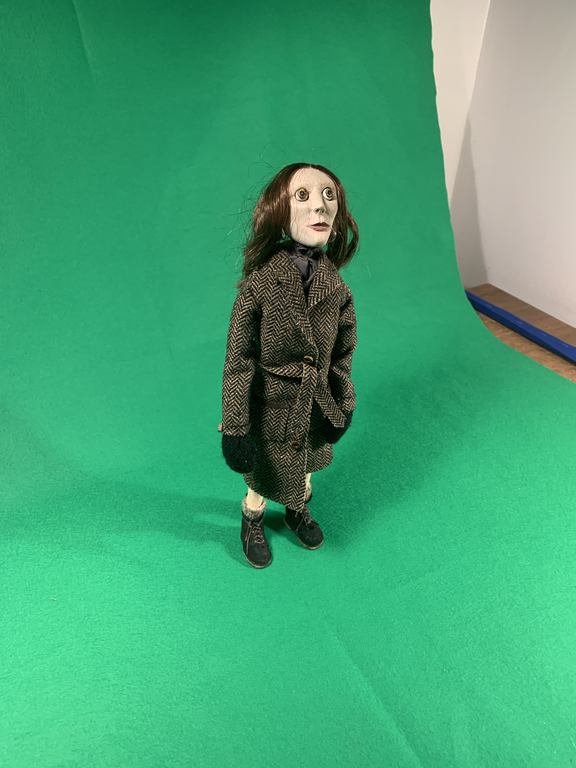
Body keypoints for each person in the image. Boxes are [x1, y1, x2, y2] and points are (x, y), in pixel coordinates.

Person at [220, 162, 359, 568]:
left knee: (307, 465)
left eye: (329, 195)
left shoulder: (337, 288)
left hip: (315, 405)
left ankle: (298, 509)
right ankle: (252, 518)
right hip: (272, 406)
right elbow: (238, 359)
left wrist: (343, 404)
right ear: (278, 210)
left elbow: (343, 355)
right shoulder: (261, 283)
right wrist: (235, 427)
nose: (320, 206)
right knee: (262, 474)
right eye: (303, 195)